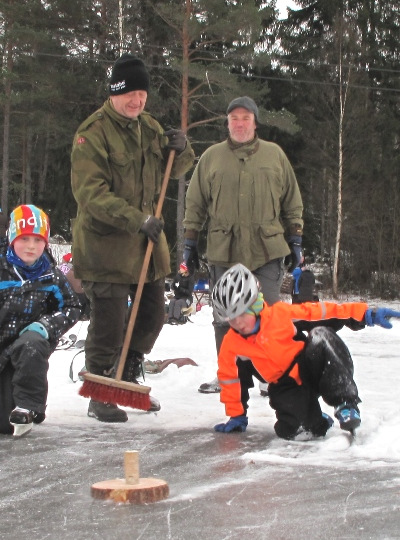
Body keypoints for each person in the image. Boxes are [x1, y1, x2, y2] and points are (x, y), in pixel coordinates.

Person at [71, 53, 195, 423]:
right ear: (114, 93)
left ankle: (125, 378)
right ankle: (99, 392)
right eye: (130, 94)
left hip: (146, 246)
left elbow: (179, 167)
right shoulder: (92, 134)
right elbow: (91, 194)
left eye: (142, 93)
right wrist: (135, 219)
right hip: (106, 246)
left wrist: (181, 147)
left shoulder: (150, 128)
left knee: (153, 318)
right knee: (108, 325)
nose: (137, 101)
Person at [182, 96, 304, 396]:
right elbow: (195, 203)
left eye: (245, 118)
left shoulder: (275, 155)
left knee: (270, 313)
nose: (239, 123)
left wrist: (296, 238)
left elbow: (292, 201)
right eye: (234, 118)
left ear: (255, 122)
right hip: (225, 248)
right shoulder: (211, 157)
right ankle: (230, 371)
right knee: (224, 315)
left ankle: (269, 371)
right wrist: (190, 244)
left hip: (267, 249)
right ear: (227, 122)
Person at [211, 263, 400, 440]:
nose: (238, 324)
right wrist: (237, 415)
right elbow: (230, 378)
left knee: (321, 335)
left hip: (310, 366)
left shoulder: (281, 315)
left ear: (255, 306)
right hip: (285, 387)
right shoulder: (232, 344)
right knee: (297, 431)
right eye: (231, 319)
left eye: (242, 315)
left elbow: (325, 312)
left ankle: (345, 403)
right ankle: (314, 417)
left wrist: (365, 314)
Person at [0, 204, 82, 435]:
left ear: (45, 242)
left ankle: (29, 406)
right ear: (12, 239)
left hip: (31, 346)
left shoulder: (51, 276)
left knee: (31, 343)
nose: (31, 247)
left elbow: (72, 307)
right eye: (25, 239)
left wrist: (45, 326)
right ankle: (18, 407)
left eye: (38, 240)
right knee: (1, 426)